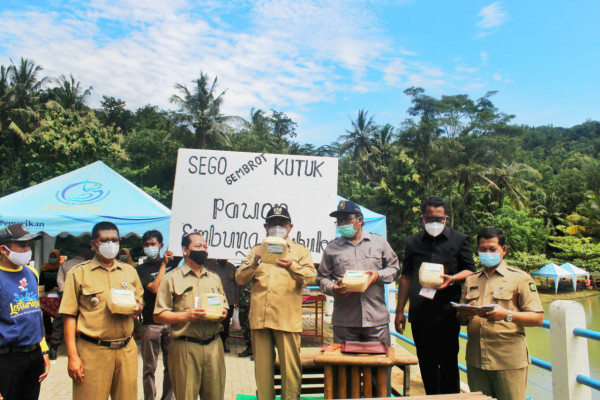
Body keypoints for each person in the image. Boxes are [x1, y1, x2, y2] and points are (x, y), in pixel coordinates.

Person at [395, 196, 476, 395]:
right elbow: (405, 277)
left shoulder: (459, 240)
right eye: (430, 219)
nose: (435, 223)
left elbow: (470, 270)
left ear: (446, 218)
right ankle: (432, 397)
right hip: (420, 314)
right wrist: (399, 312)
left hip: (448, 313)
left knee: (449, 362)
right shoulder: (412, 242)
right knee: (426, 363)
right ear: (423, 218)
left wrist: (453, 278)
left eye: (439, 219)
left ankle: (451, 398)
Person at [318, 199, 400, 395]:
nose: (343, 224)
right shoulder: (332, 248)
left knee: (378, 375)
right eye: (339, 221)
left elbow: (395, 268)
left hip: (376, 322)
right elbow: (322, 277)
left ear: (360, 221)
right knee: (344, 375)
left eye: (347, 219)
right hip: (345, 322)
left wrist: (377, 275)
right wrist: (333, 288)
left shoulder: (379, 242)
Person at [236, 205, 316, 400]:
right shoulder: (256, 250)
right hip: (260, 320)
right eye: (273, 223)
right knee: (262, 372)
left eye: (282, 223)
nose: (277, 226)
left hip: (287, 319)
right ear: (265, 226)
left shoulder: (299, 250)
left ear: (290, 226)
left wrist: (292, 266)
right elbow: (240, 279)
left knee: (291, 370)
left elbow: (311, 277)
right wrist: (255, 261)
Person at [59, 221, 144, 400]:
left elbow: (140, 300)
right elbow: (69, 316)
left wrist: (138, 306)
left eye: (115, 240)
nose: (111, 244)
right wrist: (72, 357)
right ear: (94, 244)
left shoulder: (129, 272)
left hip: (126, 349)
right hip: (93, 351)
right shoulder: (79, 273)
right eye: (105, 240)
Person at [457, 227, 543, 400]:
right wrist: (464, 314)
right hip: (476, 360)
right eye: (483, 249)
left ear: (503, 250)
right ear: (477, 250)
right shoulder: (471, 279)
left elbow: (537, 317)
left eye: (492, 249)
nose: (487, 253)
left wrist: (506, 315)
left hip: (508, 361)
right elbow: (460, 319)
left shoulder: (520, 278)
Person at [154, 233, 229, 400]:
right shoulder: (171, 278)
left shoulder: (214, 278)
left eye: (205, 247)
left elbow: (224, 305)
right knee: (186, 395)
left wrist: (223, 313)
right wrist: (186, 316)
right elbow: (159, 315)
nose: (203, 250)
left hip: (214, 345)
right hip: (185, 346)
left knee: (216, 395)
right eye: (198, 247)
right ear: (185, 250)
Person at [0, 224, 50, 400]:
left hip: (33, 355)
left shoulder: (31, 273)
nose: (27, 250)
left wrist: (43, 349)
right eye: (22, 246)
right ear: (4, 249)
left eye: (29, 245)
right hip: (7, 359)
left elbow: (35, 315)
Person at [136, 230, 176, 400]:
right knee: (149, 368)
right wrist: (163, 266)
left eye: (153, 244)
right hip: (151, 323)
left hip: (172, 321)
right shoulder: (141, 269)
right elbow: (155, 288)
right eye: (147, 244)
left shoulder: (175, 264)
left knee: (172, 366)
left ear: (161, 245)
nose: (150, 247)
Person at [49, 245, 92, 360]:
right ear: (87, 253)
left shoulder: (65, 264)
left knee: (59, 322)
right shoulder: (89, 265)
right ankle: (81, 350)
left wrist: (65, 292)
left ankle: (54, 347)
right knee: (83, 321)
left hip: (66, 296)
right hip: (84, 297)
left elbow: (60, 280)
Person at [205, 259, 238, 353]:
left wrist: (236, 299)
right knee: (213, 322)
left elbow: (235, 285)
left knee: (226, 324)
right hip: (214, 300)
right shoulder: (210, 266)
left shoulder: (231, 267)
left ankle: (223, 344)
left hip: (229, 301)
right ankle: (212, 344)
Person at [237, 282, 253, 358]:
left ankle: (256, 351)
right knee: (244, 326)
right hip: (242, 303)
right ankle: (249, 348)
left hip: (254, 306)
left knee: (253, 327)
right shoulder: (243, 272)